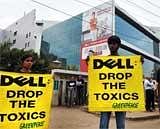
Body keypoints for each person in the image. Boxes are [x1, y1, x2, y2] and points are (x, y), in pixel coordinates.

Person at [99, 35, 126, 129]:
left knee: (121, 125)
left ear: (118, 45)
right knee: (103, 125)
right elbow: (97, 76)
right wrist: (89, 62)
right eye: (110, 43)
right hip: (106, 97)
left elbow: (129, 78)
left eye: (114, 43)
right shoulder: (102, 61)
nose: (112, 46)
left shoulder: (124, 62)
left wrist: (138, 63)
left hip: (120, 97)